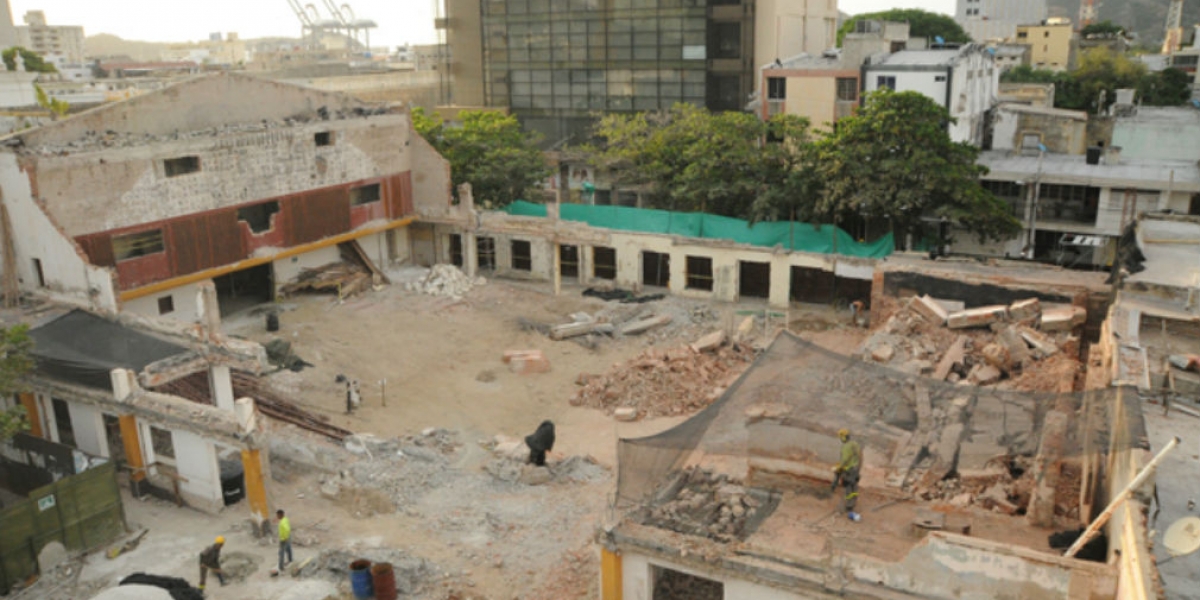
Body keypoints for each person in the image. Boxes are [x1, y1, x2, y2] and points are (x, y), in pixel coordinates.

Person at [831, 428, 862, 521]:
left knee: (848, 488)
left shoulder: (846, 447)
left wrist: (838, 468)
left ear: (843, 437)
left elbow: (845, 460)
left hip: (848, 470)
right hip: (856, 469)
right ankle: (852, 504)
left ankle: (847, 506)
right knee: (854, 488)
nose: (840, 439)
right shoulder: (855, 444)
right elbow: (859, 455)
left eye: (841, 437)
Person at [276, 509, 293, 574]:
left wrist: (285, 537)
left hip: (283, 539)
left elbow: (287, 529)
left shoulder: (282, 522)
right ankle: (291, 560)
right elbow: (288, 529)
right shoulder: (286, 519)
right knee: (289, 549)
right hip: (287, 537)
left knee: (281, 553)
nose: (277, 516)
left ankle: (281, 567)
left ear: (281, 515)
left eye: (277, 515)